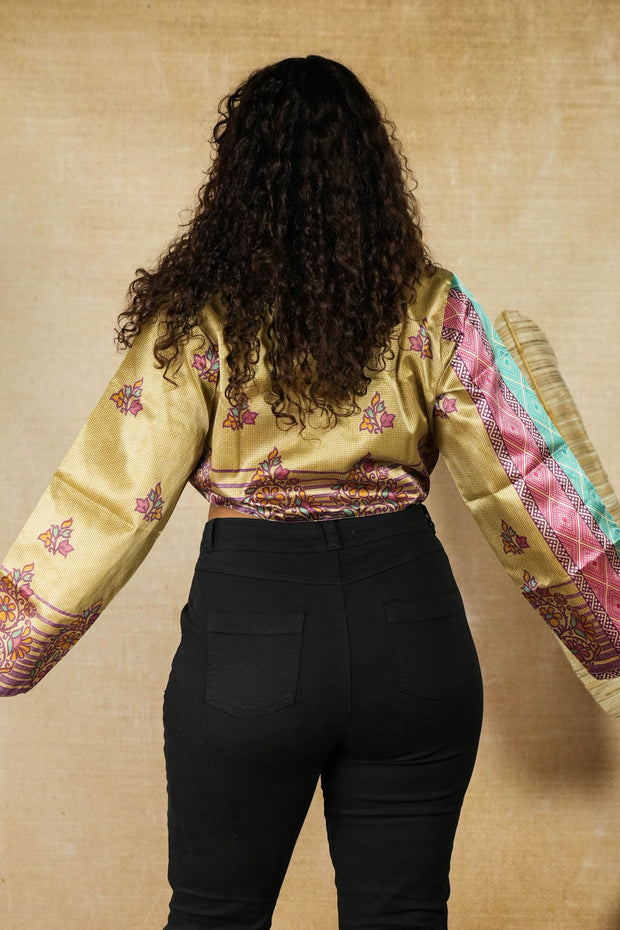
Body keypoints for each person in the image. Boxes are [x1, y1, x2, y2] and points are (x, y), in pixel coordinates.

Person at [2, 55, 620, 930]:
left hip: (252, 630)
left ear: (238, 176)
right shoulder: (432, 307)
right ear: (373, 173)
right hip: (412, 632)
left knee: (216, 916)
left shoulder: (199, 318)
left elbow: (109, 498)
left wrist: (10, 642)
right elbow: (526, 478)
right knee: (403, 916)